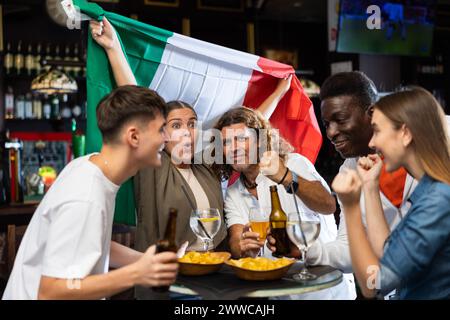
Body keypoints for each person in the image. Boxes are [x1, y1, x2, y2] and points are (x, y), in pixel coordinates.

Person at [89, 18, 291, 299]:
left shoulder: (206, 163)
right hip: (171, 284)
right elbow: (136, 101)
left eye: (192, 123)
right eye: (176, 125)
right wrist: (113, 48)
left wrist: (279, 92)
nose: (187, 131)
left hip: (218, 281)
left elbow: (250, 130)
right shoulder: (153, 165)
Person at [2, 85, 179, 300]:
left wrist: (146, 262)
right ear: (133, 137)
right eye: (161, 129)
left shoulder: (89, 165)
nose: (168, 138)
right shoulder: (86, 196)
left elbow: (92, 242)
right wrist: (137, 273)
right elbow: (50, 291)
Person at [213, 107, 354, 299]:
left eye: (242, 139)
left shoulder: (294, 164)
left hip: (325, 292)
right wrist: (244, 245)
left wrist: (286, 177)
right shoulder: (232, 193)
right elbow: (236, 243)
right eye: (227, 142)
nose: (234, 148)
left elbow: (328, 205)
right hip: (278, 294)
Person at [332, 87, 450, 299]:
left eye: (377, 130)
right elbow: (388, 254)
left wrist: (351, 208)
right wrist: (370, 187)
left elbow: (375, 284)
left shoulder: (439, 200)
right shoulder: (430, 189)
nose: (371, 143)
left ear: (405, 134)